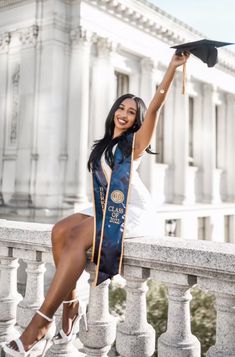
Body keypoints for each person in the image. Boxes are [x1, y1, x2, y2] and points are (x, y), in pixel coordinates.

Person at [3, 52, 189, 356]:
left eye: (131, 112)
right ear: (114, 111)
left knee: (76, 237)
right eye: (121, 107)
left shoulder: (133, 145)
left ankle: (40, 323)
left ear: (136, 121)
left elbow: (155, 105)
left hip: (132, 210)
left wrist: (171, 69)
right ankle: (71, 306)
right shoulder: (104, 145)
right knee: (60, 231)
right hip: (104, 206)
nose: (124, 114)